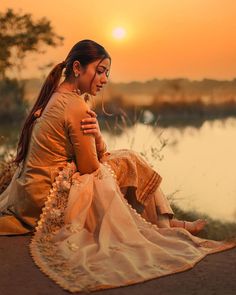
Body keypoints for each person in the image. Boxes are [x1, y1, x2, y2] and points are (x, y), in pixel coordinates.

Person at [0, 40, 235, 293]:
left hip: (31, 192)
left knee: (127, 158)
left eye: (107, 73)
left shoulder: (55, 95)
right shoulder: (76, 105)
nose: (105, 79)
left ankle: (166, 221)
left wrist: (98, 139)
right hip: (48, 197)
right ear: (77, 68)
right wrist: (99, 139)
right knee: (130, 159)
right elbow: (91, 168)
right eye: (100, 71)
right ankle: (165, 225)